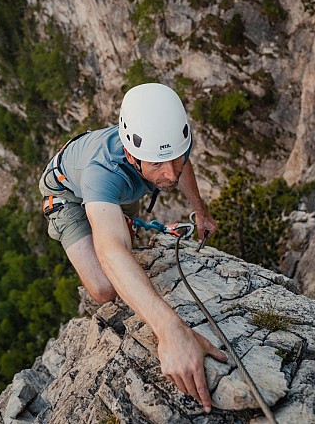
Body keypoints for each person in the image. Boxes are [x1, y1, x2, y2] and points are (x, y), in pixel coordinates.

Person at [39, 83, 227, 413]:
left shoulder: (168, 142)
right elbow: (111, 250)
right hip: (69, 194)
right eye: (157, 164)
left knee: (130, 250)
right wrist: (170, 329)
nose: (168, 174)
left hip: (124, 188)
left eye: (174, 159)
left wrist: (199, 208)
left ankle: (111, 210)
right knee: (104, 287)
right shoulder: (104, 173)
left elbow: (179, 167)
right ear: (130, 154)